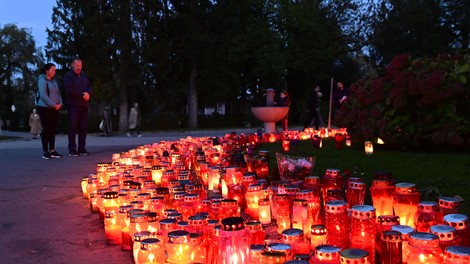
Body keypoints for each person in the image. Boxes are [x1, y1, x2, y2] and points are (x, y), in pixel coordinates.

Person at [63, 58, 92, 156]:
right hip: (73, 105)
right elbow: (69, 89)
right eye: (77, 65)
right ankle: (72, 149)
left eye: (80, 65)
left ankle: (82, 148)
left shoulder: (83, 75)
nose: (79, 67)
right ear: (72, 65)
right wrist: (82, 94)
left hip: (84, 105)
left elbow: (89, 86)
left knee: (83, 127)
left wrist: (88, 93)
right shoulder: (68, 76)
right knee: (73, 127)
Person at [36, 63, 63, 159]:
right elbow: (43, 95)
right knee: (46, 129)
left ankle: (52, 150)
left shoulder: (54, 81)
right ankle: (45, 151)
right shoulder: (42, 80)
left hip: (55, 108)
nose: (54, 72)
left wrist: (60, 103)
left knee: (52, 129)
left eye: (55, 70)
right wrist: (53, 104)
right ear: (47, 71)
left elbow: (58, 93)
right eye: (53, 70)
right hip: (45, 108)